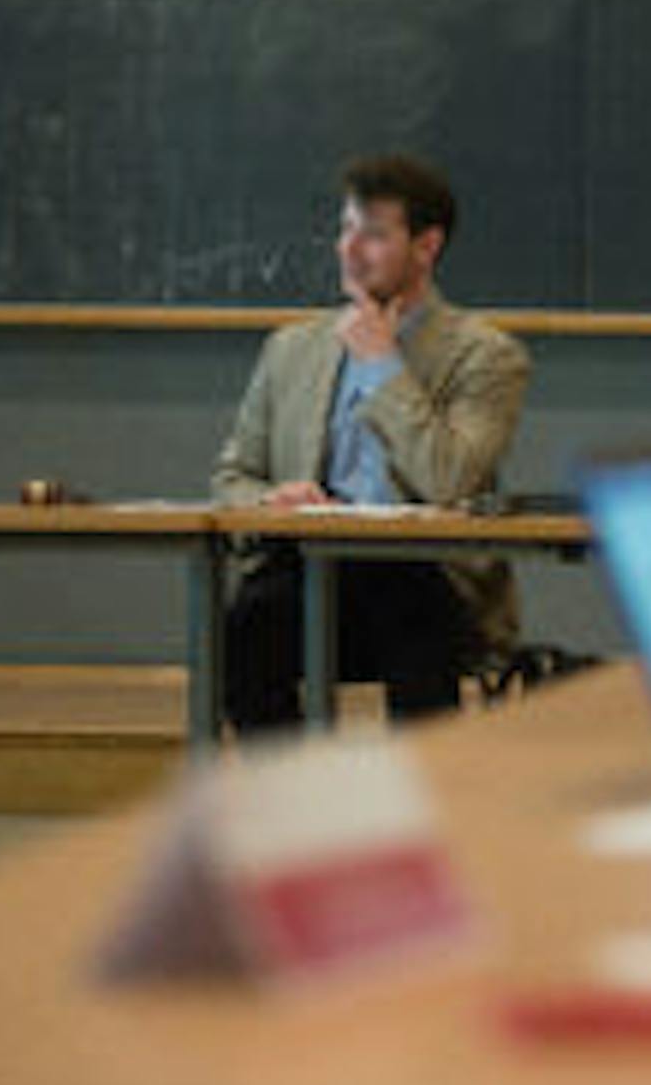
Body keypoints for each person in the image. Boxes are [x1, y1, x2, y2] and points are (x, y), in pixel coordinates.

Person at [212, 154, 531, 734]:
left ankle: (421, 815)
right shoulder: (292, 349)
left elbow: (449, 478)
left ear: (426, 246)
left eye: (375, 235)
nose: (350, 250)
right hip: (310, 566)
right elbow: (232, 477)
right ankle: (295, 810)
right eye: (345, 229)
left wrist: (383, 362)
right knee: (243, 631)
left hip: (424, 574)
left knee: (414, 624)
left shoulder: (487, 356)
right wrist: (273, 499)